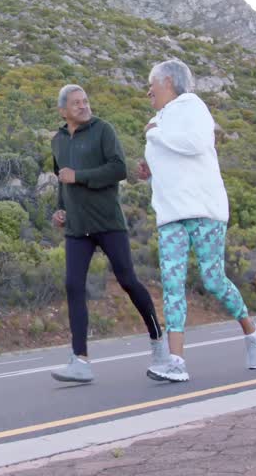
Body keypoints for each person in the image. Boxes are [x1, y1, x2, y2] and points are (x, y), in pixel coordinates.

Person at [138, 59, 256, 383]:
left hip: (204, 211)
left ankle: (252, 332)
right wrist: (150, 169)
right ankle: (176, 361)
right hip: (170, 216)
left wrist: (157, 137)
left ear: (168, 80)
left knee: (212, 281)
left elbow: (196, 144)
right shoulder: (159, 120)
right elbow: (171, 159)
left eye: (151, 83)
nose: (148, 90)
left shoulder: (191, 106)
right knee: (172, 285)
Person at [49, 84, 167, 383]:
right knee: (73, 286)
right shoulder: (58, 141)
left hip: (108, 222)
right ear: (63, 111)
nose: (83, 106)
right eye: (76, 103)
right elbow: (63, 180)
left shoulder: (104, 130)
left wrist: (80, 177)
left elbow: (117, 169)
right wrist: (61, 210)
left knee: (128, 281)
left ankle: (158, 342)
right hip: (77, 228)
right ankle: (80, 361)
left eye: (86, 100)